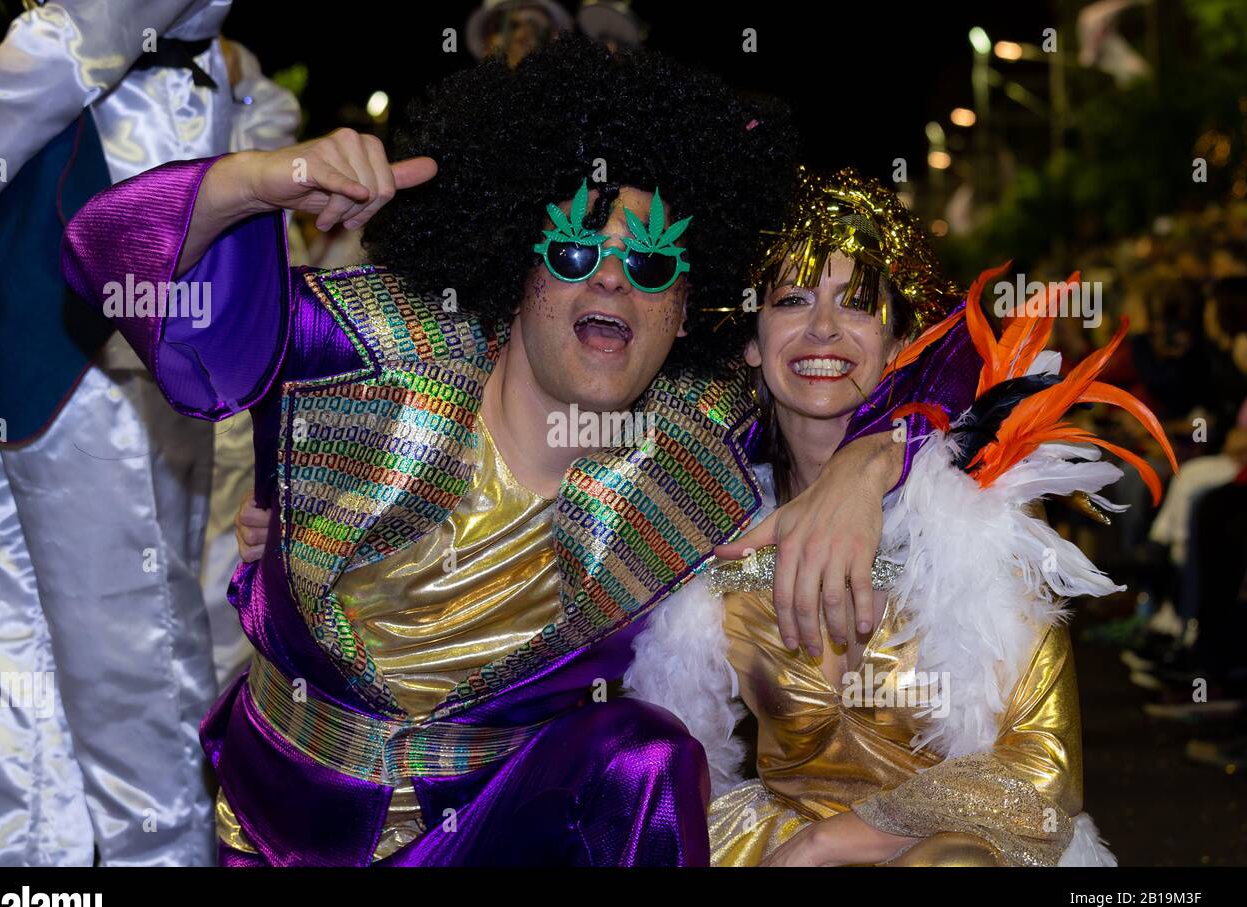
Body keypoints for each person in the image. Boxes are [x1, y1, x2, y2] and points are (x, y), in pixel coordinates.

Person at [60, 35, 959, 865]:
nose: (612, 276)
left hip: (498, 829)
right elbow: (108, 261)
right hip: (284, 821)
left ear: (685, 309)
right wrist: (257, 180)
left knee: (644, 756)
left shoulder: (696, 442)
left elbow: (971, 369)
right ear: (519, 268)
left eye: (650, 266)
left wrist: (868, 461)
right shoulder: (366, 346)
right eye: (573, 252)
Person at [625, 168, 1176, 866]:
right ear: (752, 343)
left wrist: (828, 843)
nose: (822, 328)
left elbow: (1043, 775)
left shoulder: (981, 509)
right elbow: (673, 761)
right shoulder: (715, 533)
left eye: (856, 305)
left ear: (897, 350)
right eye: (793, 299)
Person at [0, 0, 243, 866]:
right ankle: (22, 884)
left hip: (102, 265)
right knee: (2, 636)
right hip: (0, 264)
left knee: (127, 655)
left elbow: (76, 36)